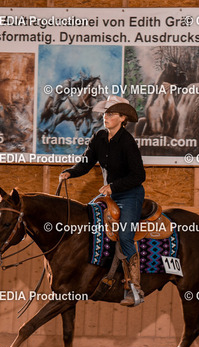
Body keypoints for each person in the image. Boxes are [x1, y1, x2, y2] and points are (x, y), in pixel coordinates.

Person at [59, 95, 146, 306]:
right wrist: (70, 172)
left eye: (111, 114)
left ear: (123, 118)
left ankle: (135, 288)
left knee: (125, 236)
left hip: (130, 195)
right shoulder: (99, 137)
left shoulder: (127, 142)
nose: (106, 117)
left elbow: (139, 175)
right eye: (105, 113)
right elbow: (85, 163)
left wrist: (113, 186)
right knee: (87, 222)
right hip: (110, 195)